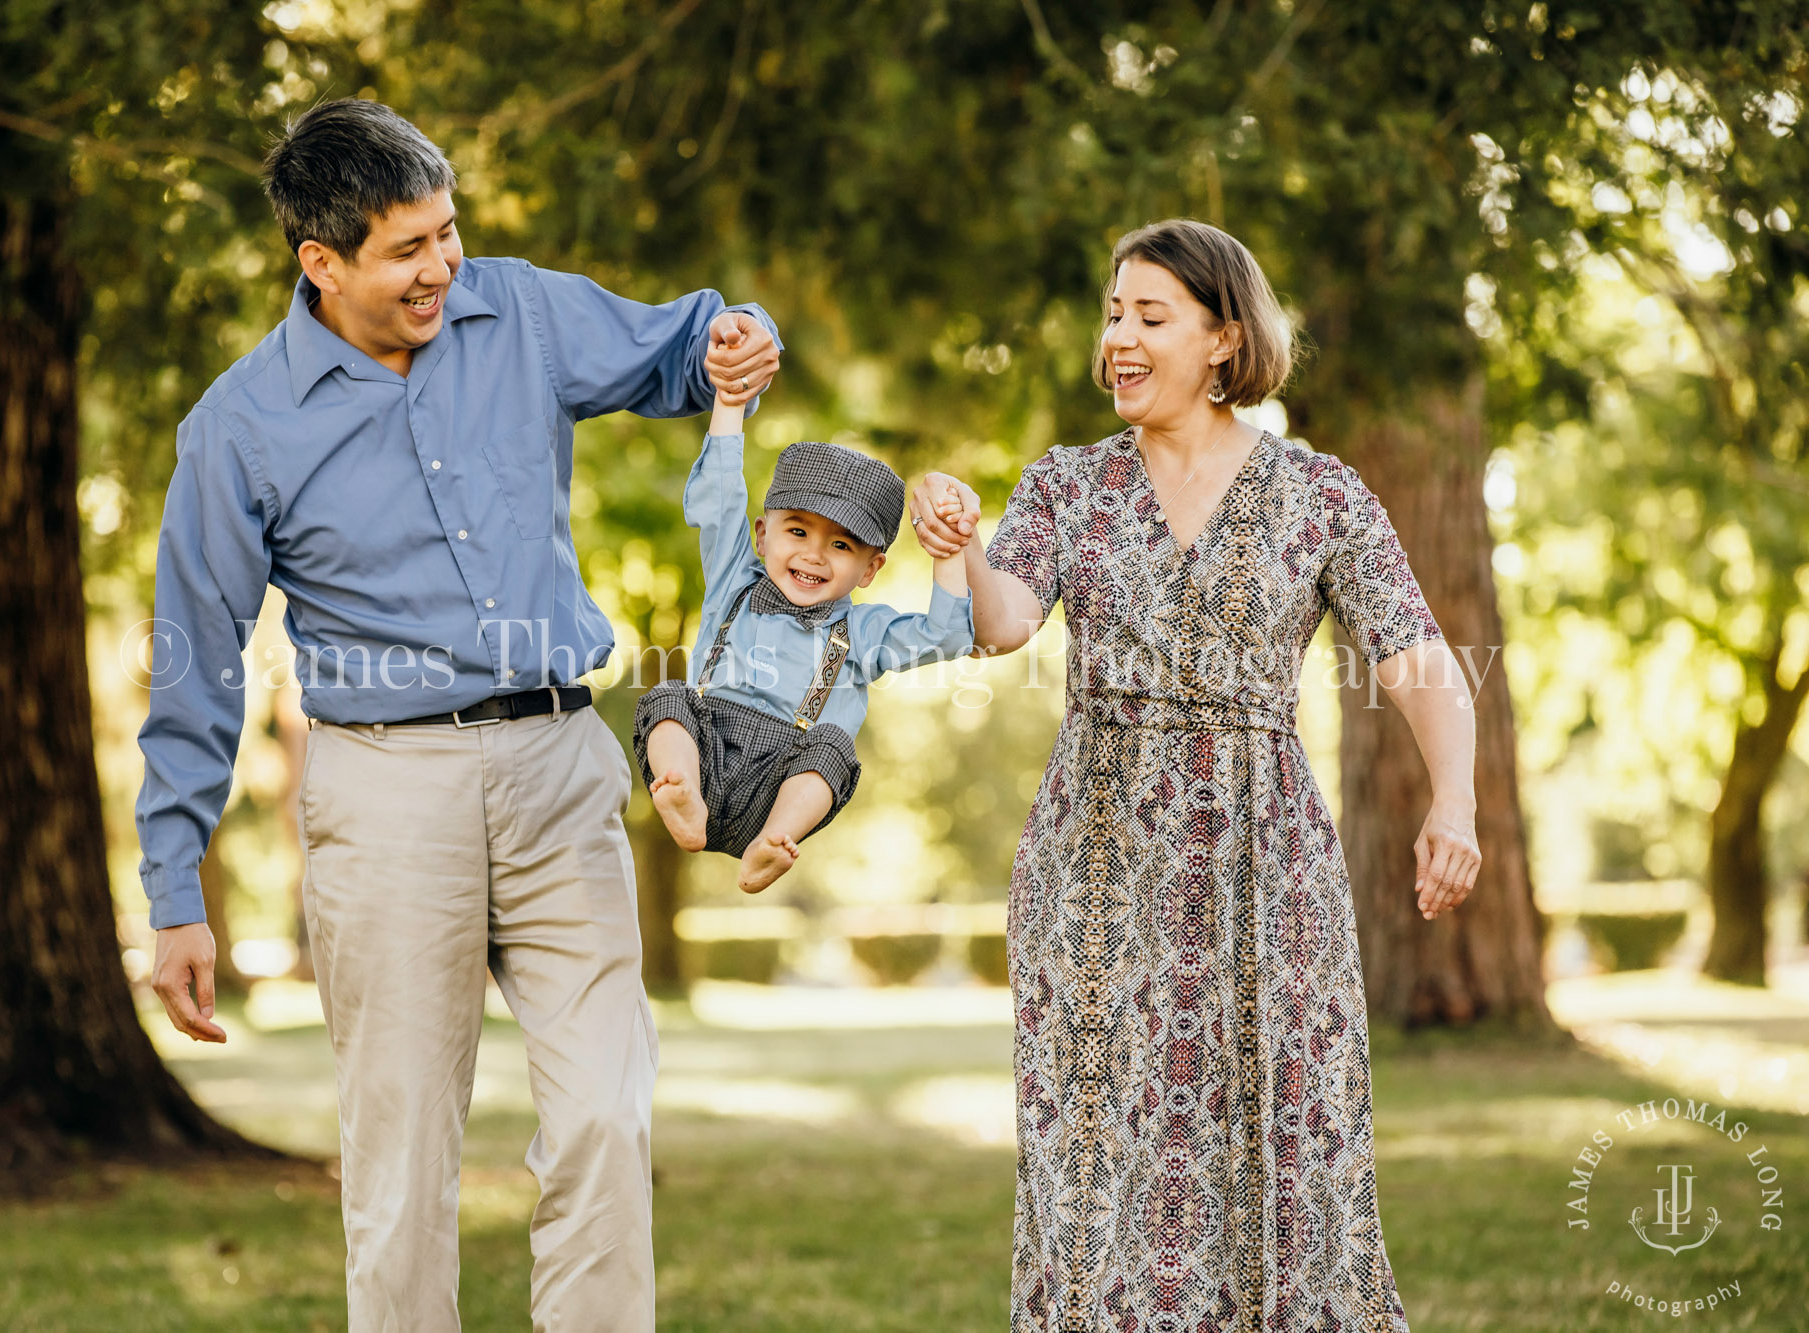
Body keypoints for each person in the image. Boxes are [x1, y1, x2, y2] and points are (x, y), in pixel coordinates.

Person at [133, 98, 781, 1332]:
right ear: (319, 262)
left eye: (448, 233)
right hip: (386, 796)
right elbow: (195, 666)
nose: (441, 267)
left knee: (603, 1112)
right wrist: (173, 890)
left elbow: (678, 344)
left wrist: (734, 344)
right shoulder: (239, 429)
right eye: (406, 249)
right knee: (402, 1164)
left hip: (557, 765)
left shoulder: (519, 309)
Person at [911, 219, 1480, 1332]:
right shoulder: (1066, 485)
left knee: (1286, 1141)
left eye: (1149, 315)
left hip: (1266, 863)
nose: (1118, 337)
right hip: (1097, 870)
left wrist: (1449, 798)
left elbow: (1414, 657)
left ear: (1223, 340)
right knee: (1095, 1161)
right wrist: (957, 544)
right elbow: (1005, 624)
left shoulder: (1320, 495)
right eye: (1112, 313)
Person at [633, 374, 981, 892]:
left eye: (842, 546)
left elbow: (945, 636)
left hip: (776, 789)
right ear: (762, 535)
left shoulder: (862, 632)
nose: (814, 554)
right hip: (703, 757)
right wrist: (729, 402)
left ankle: (770, 846)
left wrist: (949, 552)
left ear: (870, 569)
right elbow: (720, 497)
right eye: (797, 531)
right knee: (668, 698)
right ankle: (680, 791)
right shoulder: (733, 580)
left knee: (833, 749)